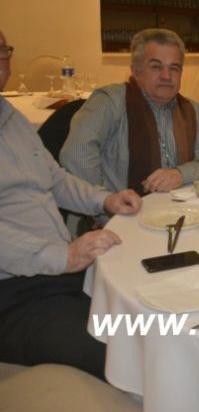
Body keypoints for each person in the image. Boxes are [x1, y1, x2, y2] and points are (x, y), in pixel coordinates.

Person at [0, 30, 143, 379]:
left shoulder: (10, 116)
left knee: (153, 316)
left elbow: (56, 179)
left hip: (58, 277)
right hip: (14, 295)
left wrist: (105, 199)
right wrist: (63, 256)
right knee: (124, 353)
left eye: (2, 49)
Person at [60, 28, 199, 198]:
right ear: (136, 71)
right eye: (156, 66)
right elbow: (77, 155)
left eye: (174, 68)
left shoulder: (192, 111)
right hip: (122, 210)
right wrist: (105, 200)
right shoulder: (110, 102)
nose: (166, 76)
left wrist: (180, 174)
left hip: (183, 209)